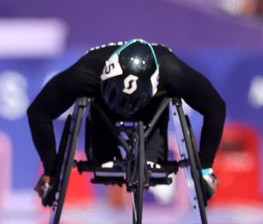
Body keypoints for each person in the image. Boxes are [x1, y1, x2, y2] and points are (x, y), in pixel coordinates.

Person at [27, 39, 225, 205]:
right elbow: (38, 113)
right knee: (103, 158)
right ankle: (105, 152)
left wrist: (205, 168)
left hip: (152, 104)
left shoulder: (173, 72)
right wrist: (51, 171)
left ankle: (151, 156)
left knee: (153, 157)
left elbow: (216, 107)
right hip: (102, 102)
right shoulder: (85, 73)